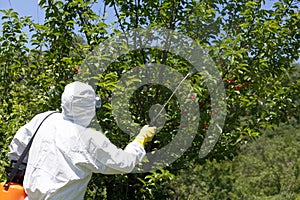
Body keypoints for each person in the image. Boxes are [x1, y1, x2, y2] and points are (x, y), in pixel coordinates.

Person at [8, 81, 156, 200]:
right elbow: (124, 163)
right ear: (89, 108)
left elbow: (17, 148)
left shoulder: (46, 118)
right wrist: (140, 140)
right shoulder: (88, 138)